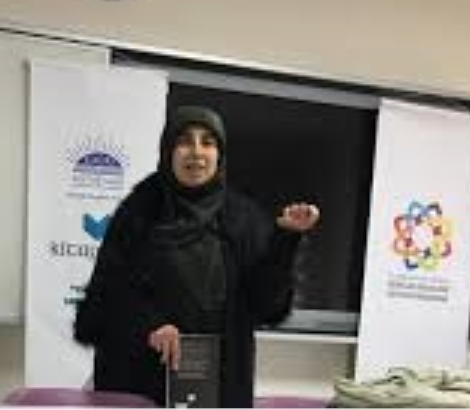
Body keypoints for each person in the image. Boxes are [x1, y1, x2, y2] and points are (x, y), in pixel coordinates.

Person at [74, 105, 320, 407]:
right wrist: (149, 324)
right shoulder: (138, 212)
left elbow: (267, 306)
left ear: (220, 154)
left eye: (208, 142)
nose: (196, 151)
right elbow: (106, 297)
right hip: (141, 380)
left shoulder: (244, 219)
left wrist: (285, 241)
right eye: (184, 141)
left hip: (219, 388)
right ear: (168, 151)